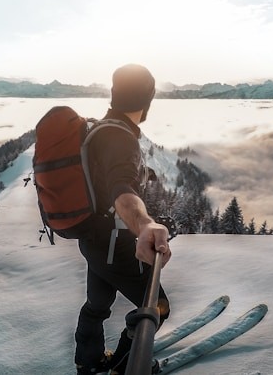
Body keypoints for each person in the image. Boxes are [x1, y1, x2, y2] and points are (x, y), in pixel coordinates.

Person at [74, 64, 172, 374]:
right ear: (148, 99)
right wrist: (144, 224)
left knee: (97, 305)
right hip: (115, 245)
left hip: (93, 239)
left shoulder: (99, 129)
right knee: (156, 307)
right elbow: (120, 188)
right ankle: (123, 364)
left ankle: (88, 363)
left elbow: (110, 181)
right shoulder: (120, 138)